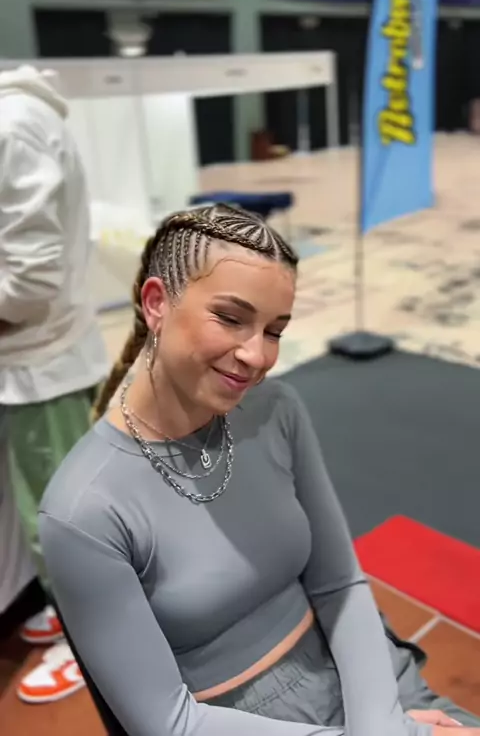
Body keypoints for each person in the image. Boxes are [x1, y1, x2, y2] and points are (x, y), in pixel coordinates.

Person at [38, 204, 479, 735]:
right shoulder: (83, 509)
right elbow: (169, 723)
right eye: (230, 318)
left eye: (274, 330)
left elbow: (339, 582)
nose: (257, 355)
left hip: (361, 672)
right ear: (156, 303)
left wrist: (383, 722)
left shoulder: (276, 410)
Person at [0, 65, 109, 702]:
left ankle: (92, 640)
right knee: (57, 507)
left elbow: (30, 281)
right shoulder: (21, 118)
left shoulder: (13, 124)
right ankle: (76, 615)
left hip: (40, 364)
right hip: (41, 358)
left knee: (59, 518)